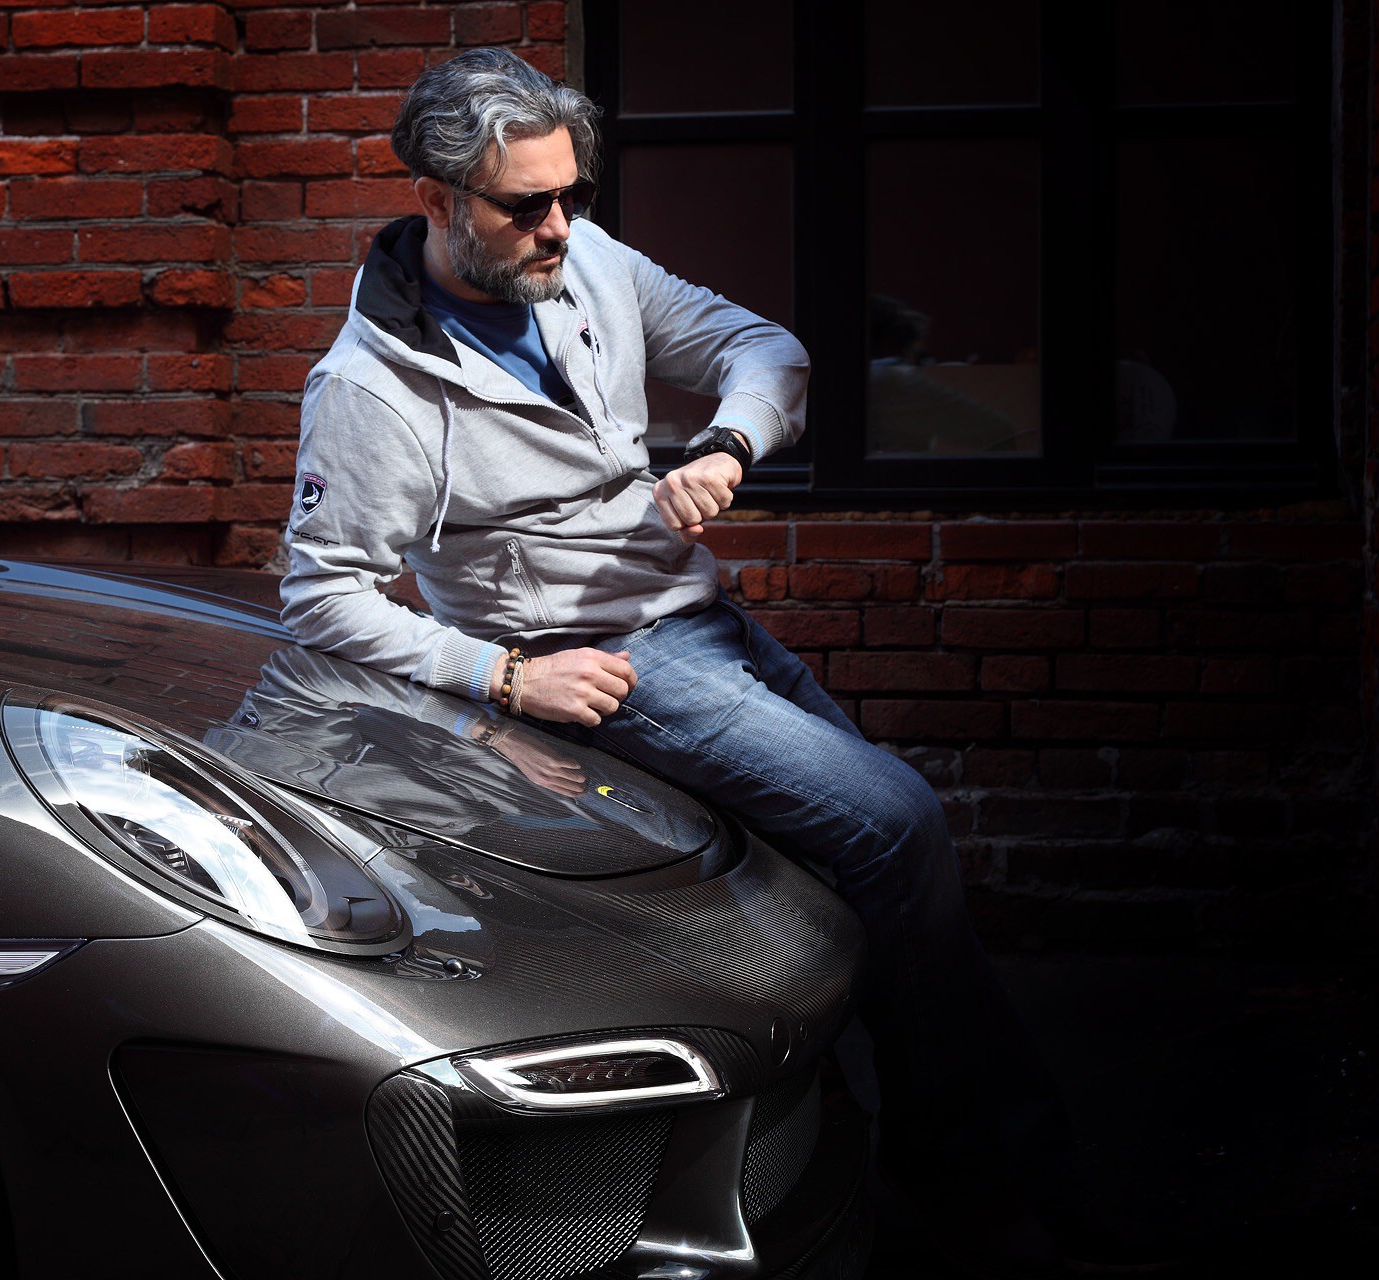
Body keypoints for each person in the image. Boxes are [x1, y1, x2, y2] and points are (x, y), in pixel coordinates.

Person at [279, 47, 1090, 1279]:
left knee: (860, 876)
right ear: (436, 200)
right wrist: (505, 676)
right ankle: (984, 1179)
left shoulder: (588, 262)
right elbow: (321, 593)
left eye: (573, 194)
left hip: (704, 619)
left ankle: (894, 1159)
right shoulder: (370, 388)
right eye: (525, 206)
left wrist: (726, 444)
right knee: (896, 823)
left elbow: (766, 348)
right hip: (613, 664)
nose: (559, 226)